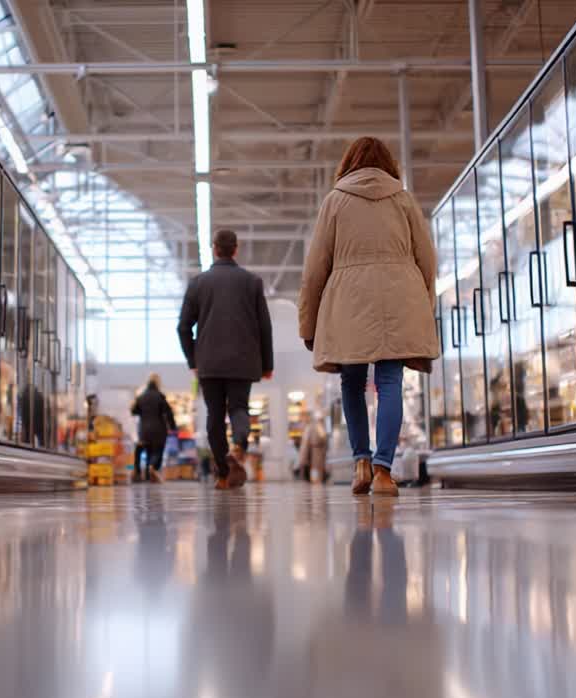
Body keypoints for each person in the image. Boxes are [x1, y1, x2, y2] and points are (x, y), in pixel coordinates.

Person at [297, 137, 438, 497]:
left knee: (352, 383)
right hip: (399, 296)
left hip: (348, 300)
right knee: (390, 383)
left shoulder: (335, 202)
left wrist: (308, 322)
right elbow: (427, 257)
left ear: (348, 163)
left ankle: (361, 460)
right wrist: (423, 305)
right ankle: (384, 471)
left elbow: (315, 268)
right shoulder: (403, 200)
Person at [177, 229, 274, 490]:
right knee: (239, 407)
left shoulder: (198, 283)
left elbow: (183, 327)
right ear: (236, 249)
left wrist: (193, 360)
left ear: (214, 249)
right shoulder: (252, 282)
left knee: (215, 417)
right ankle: (239, 446)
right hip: (244, 360)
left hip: (209, 362)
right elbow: (264, 326)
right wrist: (267, 364)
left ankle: (222, 473)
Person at [130, 373, 176, 483]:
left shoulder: (141, 397)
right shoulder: (160, 396)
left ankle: (147, 475)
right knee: (158, 451)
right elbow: (168, 413)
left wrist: (142, 412)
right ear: (158, 383)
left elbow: (133, 411)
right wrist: (172, 426)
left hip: (144, 429)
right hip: (159, 428)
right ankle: (153, 467)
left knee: (148, 450)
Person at [297, 411, 329, 484]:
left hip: (316, 450)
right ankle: (314, 480)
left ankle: (317, 480)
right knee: (313, 467)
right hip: (311, 450)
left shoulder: (317, 426)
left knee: (317, 467)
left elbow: (322, 437)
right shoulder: (309, 426)